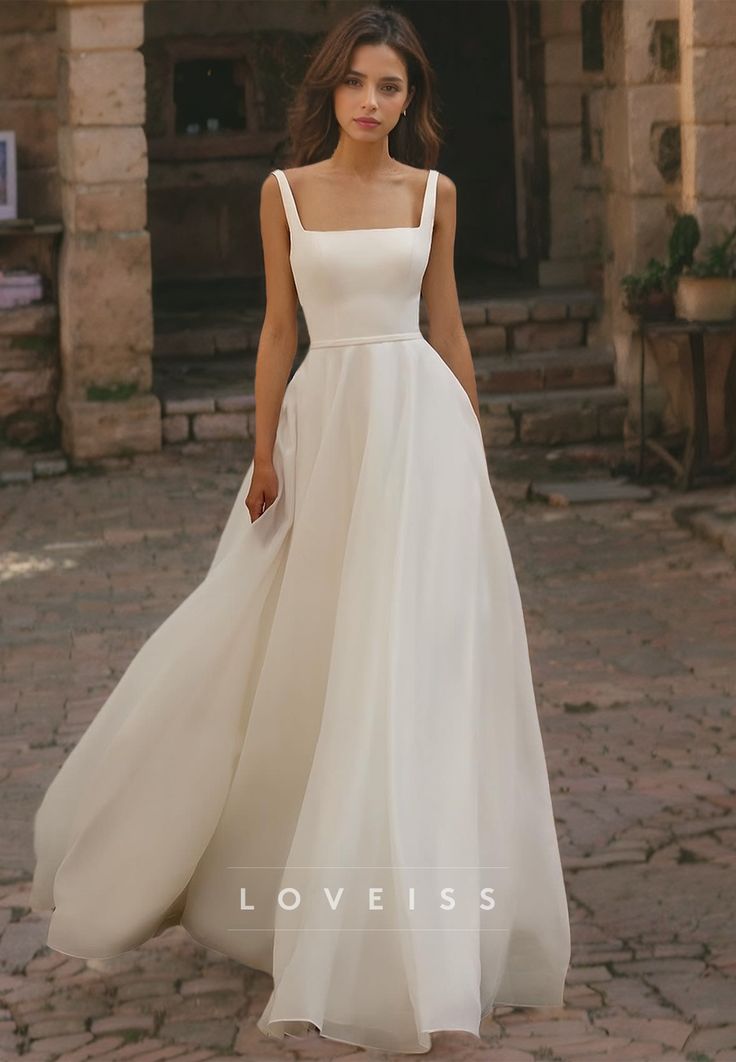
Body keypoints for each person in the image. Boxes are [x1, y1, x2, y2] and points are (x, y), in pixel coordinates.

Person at [30, 5, 571, 1055]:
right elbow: (281, 327)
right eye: (360, 83)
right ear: (330, 88)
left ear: (410, 100)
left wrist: (473, 448)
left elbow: (447, 326)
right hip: (326, 435)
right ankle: (271, 882)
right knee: (299, 656)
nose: (375, 103)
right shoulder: (284, 194)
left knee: (413, 668)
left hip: (422, 440)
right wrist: (265, 453)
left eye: (394, 88)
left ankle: (423, 930)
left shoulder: (435, 197)